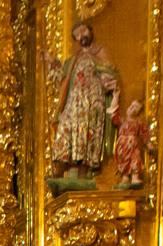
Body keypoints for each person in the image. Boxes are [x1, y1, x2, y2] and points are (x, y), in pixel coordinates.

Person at [49, 22, 120, 183]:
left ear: (90, 30)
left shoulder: (100, 52)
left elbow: (110, 71)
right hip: (74, 102)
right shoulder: (74, 59)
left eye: (83, 31)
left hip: (92, 101)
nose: (81, 36)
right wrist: (52, 61)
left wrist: (107, 80)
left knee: (88, 133)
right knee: (64, 128)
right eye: (77, 34)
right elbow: (61, 78)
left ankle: (84, 171)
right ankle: (60, 168)